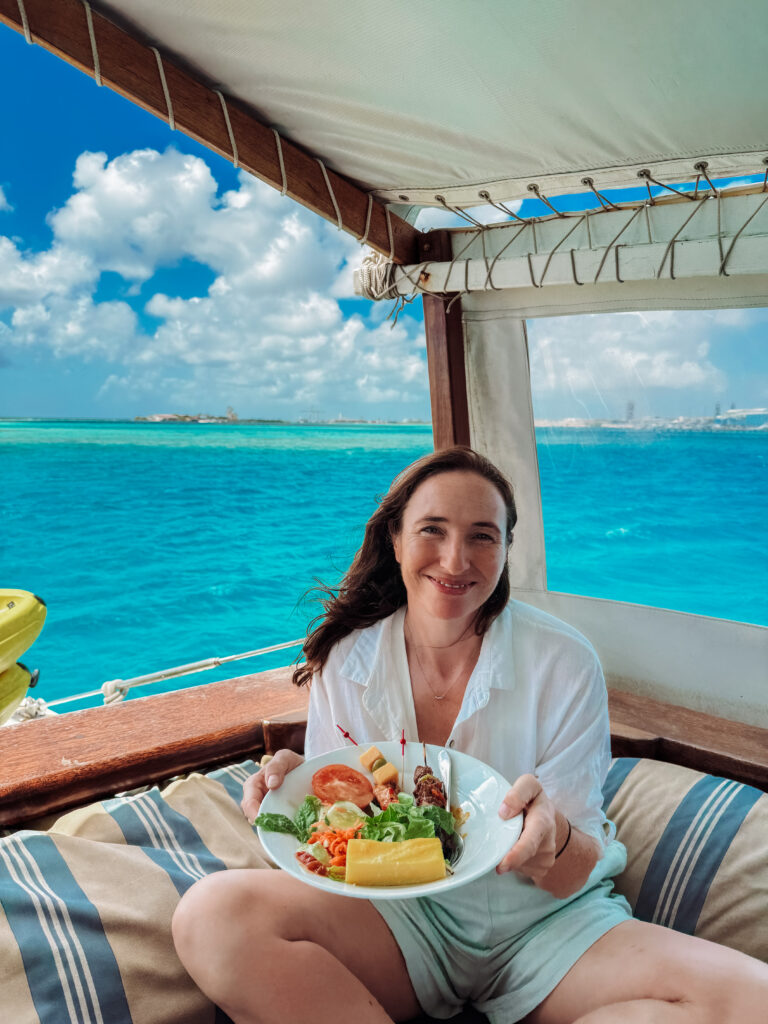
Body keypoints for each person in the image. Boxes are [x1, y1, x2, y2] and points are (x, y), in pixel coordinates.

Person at [172, 446, 768, 1024]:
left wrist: (553, 837)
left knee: (754, 998)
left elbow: (568, 872)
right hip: (396, 921)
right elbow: (337, 842)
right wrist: (292, 790)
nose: (456, 560)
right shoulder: (346, 661)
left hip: (547, 926)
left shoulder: (563, 662)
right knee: (210, 915)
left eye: (482, 535)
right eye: (432, 529)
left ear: (507, 550)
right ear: (395, 539)